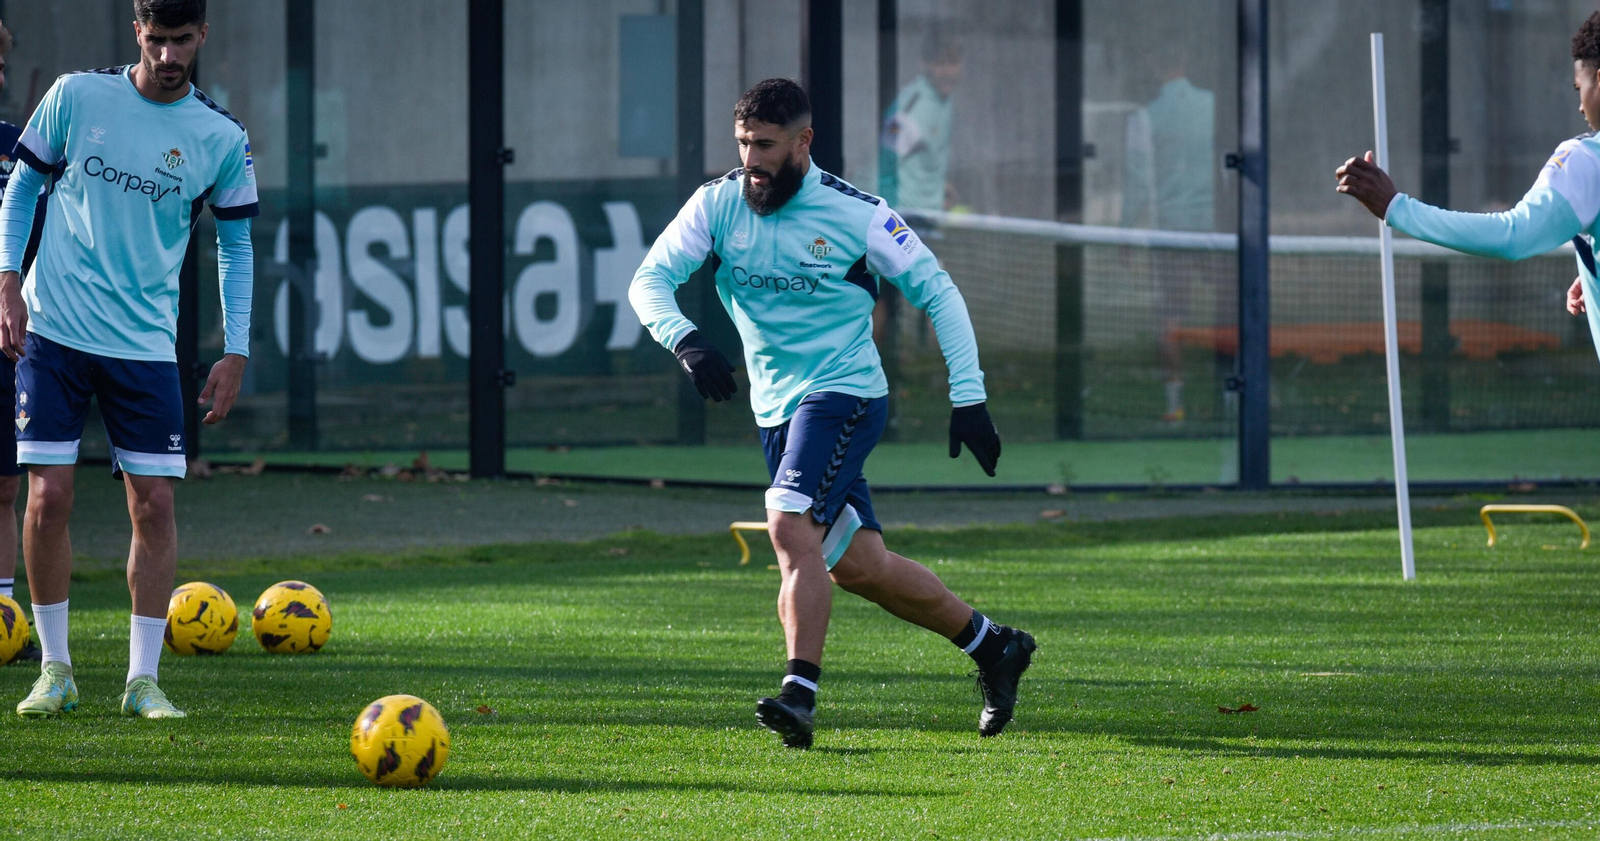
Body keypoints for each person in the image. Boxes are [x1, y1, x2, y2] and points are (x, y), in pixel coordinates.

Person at [630, 78, 1034, 749]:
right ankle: (995, 646)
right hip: (777, 413)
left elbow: (938, 290)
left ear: (803, 142)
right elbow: (650, 279)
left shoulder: (858, 214)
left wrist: (969, 397)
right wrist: (687, 339)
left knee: (788, 522)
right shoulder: (719, 204)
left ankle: (800, 693)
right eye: (743, 143)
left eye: (765, 144)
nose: (751, 158)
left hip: (845, 394)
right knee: (861, 567)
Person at [0, 0, 257, 718]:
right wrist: (8, 282)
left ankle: (143, 679)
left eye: (183, 40)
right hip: (55, 332)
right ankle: (55, 670)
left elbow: (234, 245)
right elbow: (22, 189)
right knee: (48, 498)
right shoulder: (77, 97)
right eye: (157, 39)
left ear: (202, 35)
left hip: (145, 347)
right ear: (136, 34)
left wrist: (236, 348)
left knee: (156, 503)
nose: (170, 55)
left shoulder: (220, 137)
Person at [1337, 11, 1600, 366]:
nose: (1579, 104)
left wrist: (1396, 207)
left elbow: (1513, 235)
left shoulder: (1586, 159)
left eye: (1579, 88)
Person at [1121, 53, 1214, 424]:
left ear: (1156, 67)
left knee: (1170, 317)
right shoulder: (1216, 106)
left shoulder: (1144, 117)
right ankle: (1238, 400)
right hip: (1214, 230)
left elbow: (1137, 181)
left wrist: (1125, 232)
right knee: (1236, 309)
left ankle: (1174, 405)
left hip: (1172, 233)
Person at [0, 17, 46, 664]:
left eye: (3, 64)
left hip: (11, 338)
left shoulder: (20, 150)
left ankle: (6, 619)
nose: (2, 76)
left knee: (7, 485)